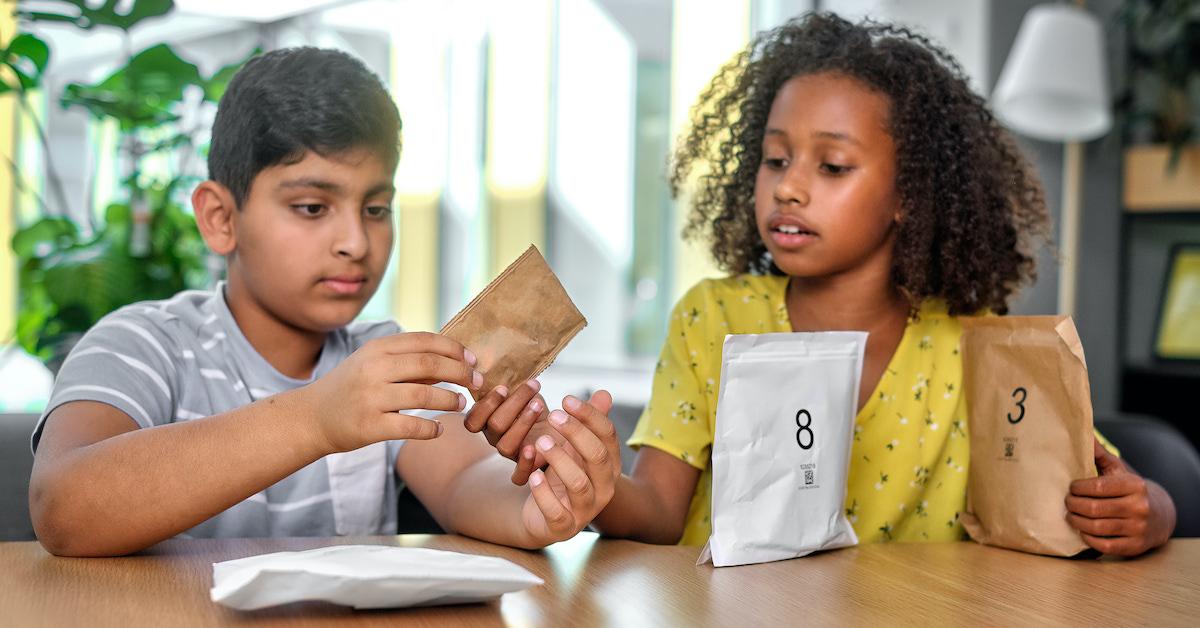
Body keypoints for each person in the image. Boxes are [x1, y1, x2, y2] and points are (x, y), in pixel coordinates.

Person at [583, 13, 1175, 556]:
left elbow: (1106, 479)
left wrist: (1153, 513)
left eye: (833, 166)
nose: (788, 187)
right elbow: (658, 510)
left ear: (909, 196)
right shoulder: (711, 317)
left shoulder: (978, 344)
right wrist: (592, 484)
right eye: (775, 159)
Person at [28, 47, 620, 557]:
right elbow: (63, 507)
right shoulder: (141, 343)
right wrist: (316, 417)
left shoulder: (378, 355)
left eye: (376, 209)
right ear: (219, 217)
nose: (355, 243)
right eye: (312, 208)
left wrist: (538, 509)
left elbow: (467, 478)